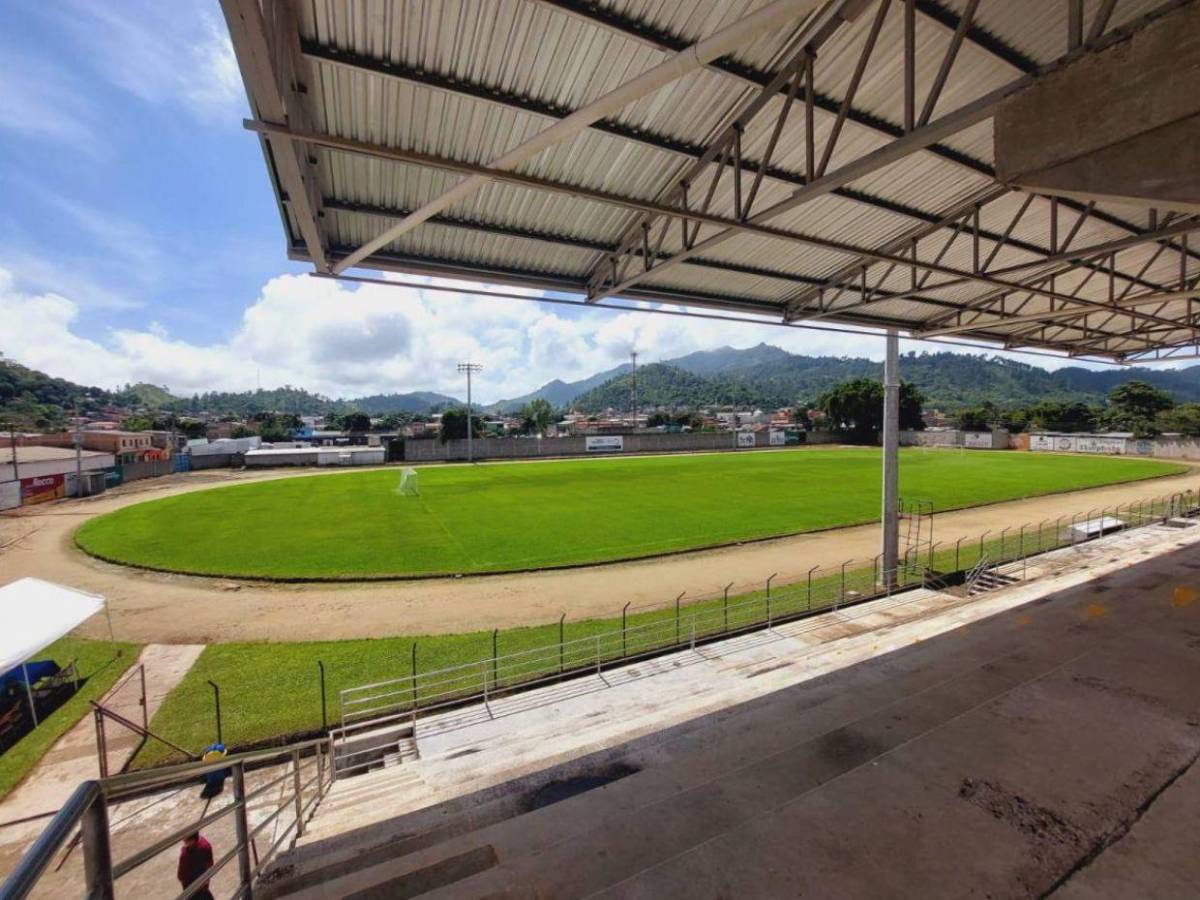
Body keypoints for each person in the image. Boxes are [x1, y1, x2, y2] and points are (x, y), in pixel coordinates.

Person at [177, 831, 215, 899]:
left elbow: (181, 875)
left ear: (192, 840)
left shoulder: (186, 853)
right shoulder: (205, 844)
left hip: (192, 885)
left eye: (186, 841)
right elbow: (209, 865)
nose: (184, 843)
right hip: (202, 884)